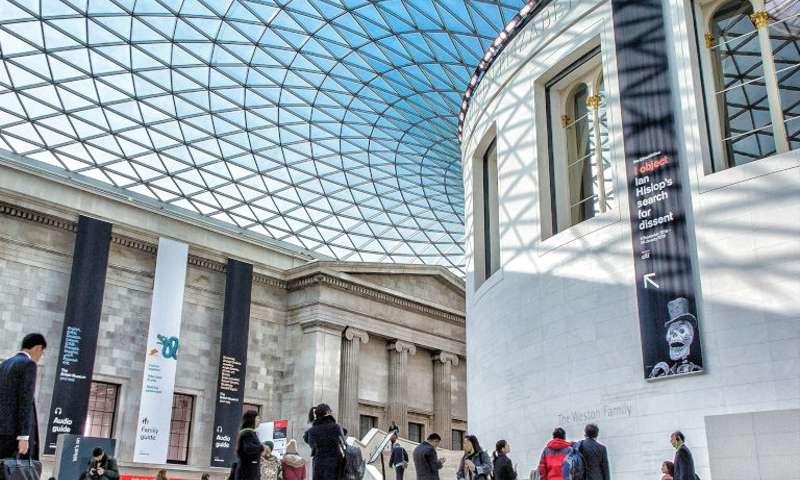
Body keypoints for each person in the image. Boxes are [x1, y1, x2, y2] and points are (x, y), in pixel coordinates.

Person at [0, 333, 46, 460]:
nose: (40, 356)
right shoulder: (28, 364)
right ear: (38, 348)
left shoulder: (5, 364)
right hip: (14, 435)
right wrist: (24, 436)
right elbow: (25, 400)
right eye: (42, 352)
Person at [303, 403, 344, 480]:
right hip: (335, 465)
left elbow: (310, 444)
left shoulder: (311, 431)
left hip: (319, 466)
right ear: (327, 413)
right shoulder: (335, 427)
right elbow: (344, 433)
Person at [237, 410, 265, 480]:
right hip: (248, 472)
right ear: (252, 419)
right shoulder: (248, 433)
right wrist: (261, 447)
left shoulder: (248, 432)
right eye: (258, 418)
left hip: (248, 471)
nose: (259, 420)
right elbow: (248, 448)